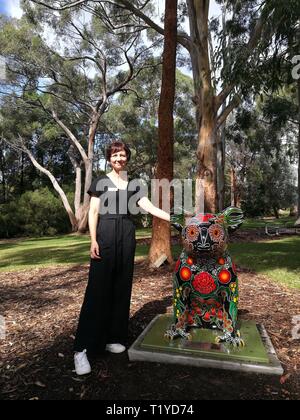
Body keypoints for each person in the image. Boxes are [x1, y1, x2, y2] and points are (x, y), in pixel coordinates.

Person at [74, 141, 170, 375]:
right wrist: (93, 240)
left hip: (126, 234)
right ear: (109, 158)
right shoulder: (100, 181)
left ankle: (113, 337)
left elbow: (148, 206)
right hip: (105, 234)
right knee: (98, 290)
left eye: (123, 155)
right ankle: (82, 350)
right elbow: (94, 212)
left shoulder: (134, 184)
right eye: (115, 155)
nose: (119, 158)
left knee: (121, 287)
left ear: (127, 158)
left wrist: (173, 217)